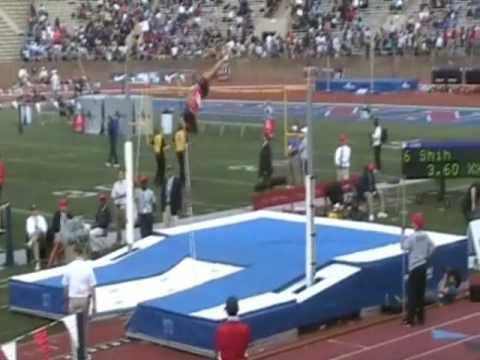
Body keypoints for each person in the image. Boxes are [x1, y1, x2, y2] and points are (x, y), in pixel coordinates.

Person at [62, 243, 97, 359]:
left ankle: (75, 355)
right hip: (84, 300)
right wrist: (95, 305)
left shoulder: (69, 267)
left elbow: (66, 287)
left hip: (73, 299)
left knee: (73, 328)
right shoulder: (88, 267)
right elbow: (92, 287)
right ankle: (84, 353)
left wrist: (66, 303)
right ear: (83, 253)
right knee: (83, 327)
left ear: (75, 253)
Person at [401, 213, 435, 326]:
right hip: (423, 266)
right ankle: (421, 318)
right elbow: (433, 246)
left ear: (416, 224)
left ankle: (410, 320)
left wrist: (402, 233)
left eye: (413, 223)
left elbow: (404, 247)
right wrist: (426, 256)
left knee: (412, 294)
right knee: (420, 293)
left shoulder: (412, 237)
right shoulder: (425, 235)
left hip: (414, 267)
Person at [183, 55, 230, 133]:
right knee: (208, 74)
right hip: (201, 90)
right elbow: (192, 97)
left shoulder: (190, 108)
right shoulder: (192, 107)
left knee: (209, 75)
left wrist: (191, 91)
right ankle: (223, 61)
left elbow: (191, 97)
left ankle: (222, 72)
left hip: (201, 91)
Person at [47, 198, 73, 267]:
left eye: (65, 206)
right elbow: (55, 228)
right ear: (60, 206)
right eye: (62, 206)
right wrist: (60, 233)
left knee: (68, 242)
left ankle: (62, 261)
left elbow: (72, 226)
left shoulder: (69, 215)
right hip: (58, 234)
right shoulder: (57, 214)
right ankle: (49, 264)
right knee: (57, 243)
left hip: (66, 235)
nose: (63, 207)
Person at [26, 204, 48, 271]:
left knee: (39, 231)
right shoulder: (29, 220)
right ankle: (37, 264)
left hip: (42, 236)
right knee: (35, 243)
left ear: (37, 211)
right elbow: (29, 231)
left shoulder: (41, 218)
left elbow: (45, 229)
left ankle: (30, 242)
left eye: (35, 210)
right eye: (33, 210)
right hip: (34, 236)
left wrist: (38, 231)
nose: (34, 212)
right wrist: (35, 233)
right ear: (31, 212)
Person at [111, 169, 127, 244]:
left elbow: (127, 194)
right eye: (119, 174)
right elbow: (113, 196)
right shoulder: (115, 184)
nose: (120, 176)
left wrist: (119, 195)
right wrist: (121, 195)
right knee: (118, 225)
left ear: (123, 175)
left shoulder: (126, 183)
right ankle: (118, 239)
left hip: (124, 206)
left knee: (126, 223)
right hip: (117, 206)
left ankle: (127, 239)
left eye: (121, 174)